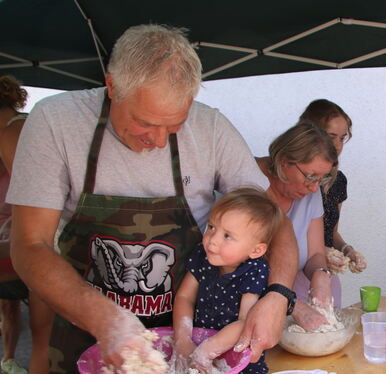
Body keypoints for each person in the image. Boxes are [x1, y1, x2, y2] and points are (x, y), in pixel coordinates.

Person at [7, 25, 298, 372]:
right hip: (87, 326)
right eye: (145, 123)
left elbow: (272, 220)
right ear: (112, 86)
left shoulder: (212, 130)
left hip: (187, 335)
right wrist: (106, 320)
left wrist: (279, 294)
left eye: (173, 125)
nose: (159, 142)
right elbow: (29, 244)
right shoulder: (56, 123)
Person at [173, 188, 283, 374]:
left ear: (256, 250)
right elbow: (185, 297)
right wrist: (183, 339)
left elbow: (246, 320)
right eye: (211, 227)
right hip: (196, 346)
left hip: (238, 361)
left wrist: (207, 350)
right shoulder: (202, 255)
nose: (212, 240)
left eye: (227, 236)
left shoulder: (254, 271)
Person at [256, 121, 339, 331]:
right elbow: (237, 269)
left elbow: (314, 253)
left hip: (286, 305)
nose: (313, 188)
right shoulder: (248, 183)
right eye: (310, 176)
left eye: (322, 178)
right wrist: (292, 304)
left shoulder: (310, 193)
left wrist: (321, 275)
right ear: (284, 161)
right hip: (243, 313)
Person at [0, 76, 54, 374]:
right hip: (41, 240)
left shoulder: (13, 132)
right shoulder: (17, 127)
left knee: (43, 338)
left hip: (43, 243)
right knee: (43, 337)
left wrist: (12, 228)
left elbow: (31, 205)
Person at [299, 99, 367, 274]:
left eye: (342, 138)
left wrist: (347, 250)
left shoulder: (338, 181)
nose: (337, 145)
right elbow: (280, 236)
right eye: (331, 136)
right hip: (292, 273)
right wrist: (320, 252)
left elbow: (332, 233)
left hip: (325, 272)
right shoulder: (294, 177)